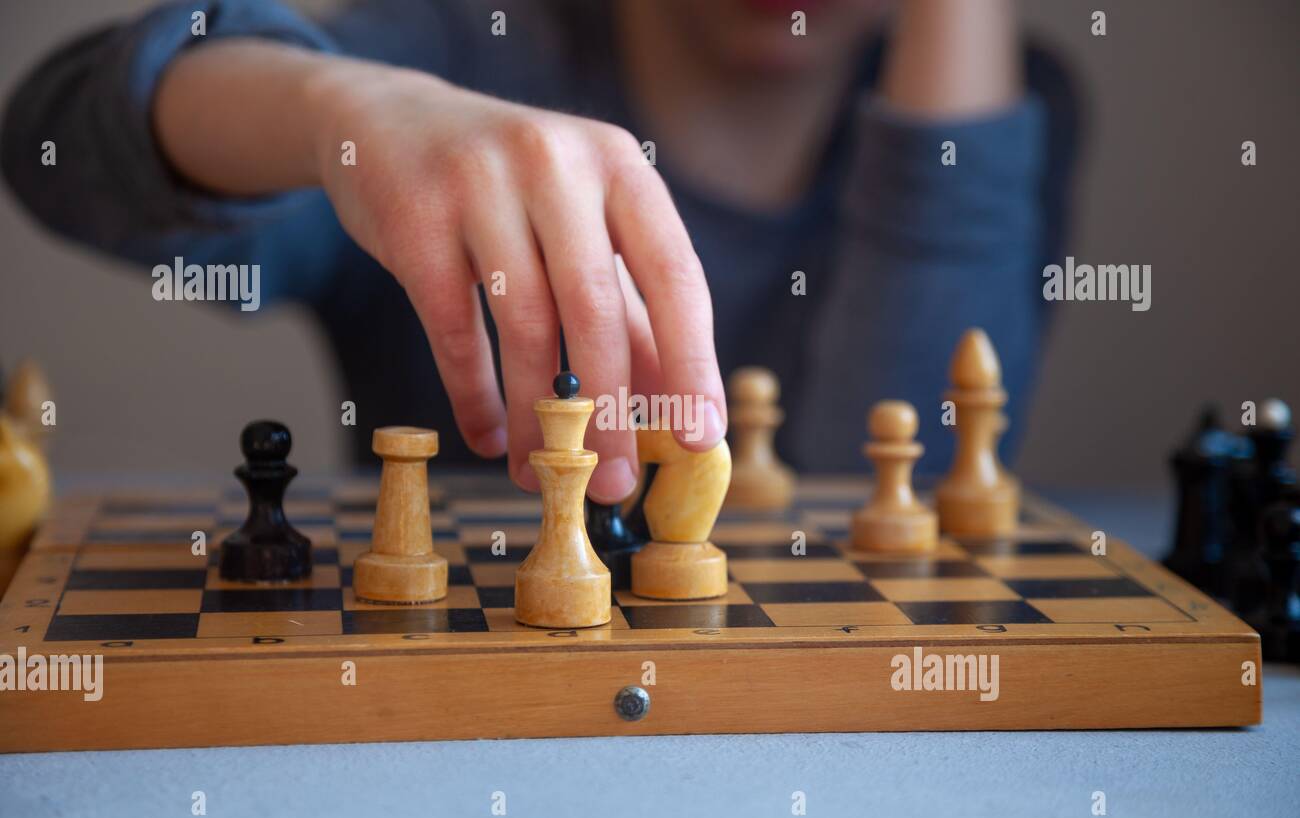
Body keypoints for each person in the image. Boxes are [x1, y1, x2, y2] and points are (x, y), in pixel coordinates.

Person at [1, 0, 1077, 501]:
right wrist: (338, 106)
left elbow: (899, 506)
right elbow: (51, 142)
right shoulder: (458, 57)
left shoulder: (993, 106)